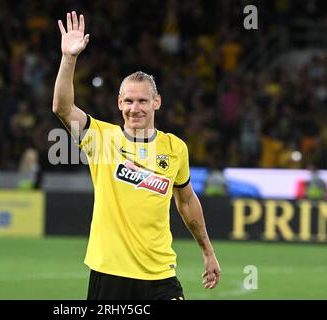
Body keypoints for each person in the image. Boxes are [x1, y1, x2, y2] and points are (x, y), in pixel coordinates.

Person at [53, 11, 221, 300]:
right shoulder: (101, 138)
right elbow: (62, 108)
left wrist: (208, 251)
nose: (135, 108)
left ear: (156, 102)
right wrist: (69, 59)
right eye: (128, 101)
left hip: (160, 275)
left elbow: (186, 201)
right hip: (110, 274)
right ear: (119, 103)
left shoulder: (175, 148)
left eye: (143, 100)